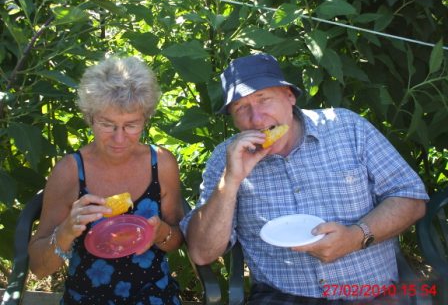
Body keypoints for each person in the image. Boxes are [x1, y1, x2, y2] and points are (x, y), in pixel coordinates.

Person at [180, 53, 429, 304]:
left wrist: (356, 236)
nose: (256, 119)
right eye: (241, 108)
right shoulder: (225, 158)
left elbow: (411, 197)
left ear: (289, 96)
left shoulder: (347, 127)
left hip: (370, 292)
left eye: (263, 100)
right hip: (282, 296)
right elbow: (202, 253)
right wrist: (231, 180)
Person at [29, 56, 183, 305]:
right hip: (87, 296)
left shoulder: (162, 164)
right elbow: (39, 267)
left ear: (146, 119)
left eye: (131, 125)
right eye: (107, 124)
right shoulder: (69, 171)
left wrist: (160, 232)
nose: (119, 138)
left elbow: (177, 239)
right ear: (90, 118)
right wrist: (66, 231)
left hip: (153, 294)